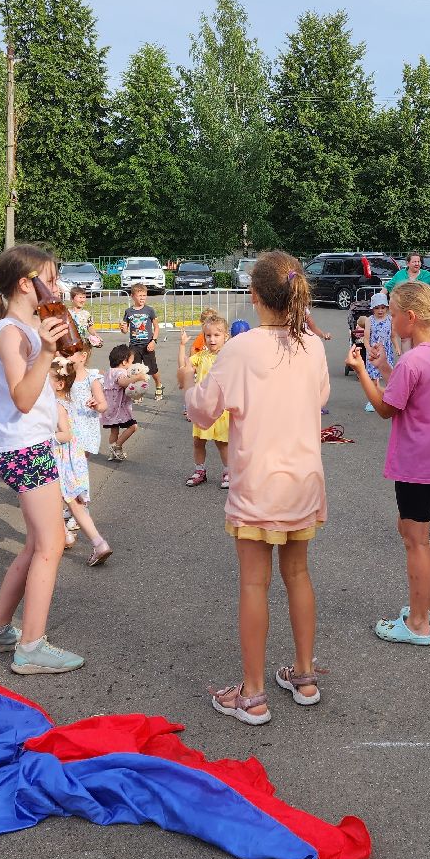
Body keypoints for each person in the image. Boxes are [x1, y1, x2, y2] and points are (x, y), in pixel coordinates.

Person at [183, 251, 328, 725]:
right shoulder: (313, 345)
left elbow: (204, 411)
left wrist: (188, 382)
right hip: (303, 481)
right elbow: (321, 397)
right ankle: (304, 676)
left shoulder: (240, 350)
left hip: (258, 484)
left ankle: (253, 693)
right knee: (298, 575)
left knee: (253, 583)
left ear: (255, 295)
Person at [0, 245, 84, 675]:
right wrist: (47, 354)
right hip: (25, 448)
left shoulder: (23, 327)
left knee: (38, 542)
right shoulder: (10, 333)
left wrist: (56, 348)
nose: (57, 288)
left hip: (27, 446)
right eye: (51, 280)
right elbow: (21, 398)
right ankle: (31, 646)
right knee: (52, 544)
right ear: (26, 283)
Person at [346, 281, 430, 646]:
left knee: (416, 541)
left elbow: (385, 408)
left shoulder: (414, 359)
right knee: (415, 534)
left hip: (416, 462)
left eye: (393, 313)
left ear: (410, 317)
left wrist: (362, 369)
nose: (390, 320)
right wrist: (384, 365)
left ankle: (418, 622)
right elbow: (406, 393)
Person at [50, 354, 112, 565]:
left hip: (62, 459)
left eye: (45, 380)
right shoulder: (63, 400)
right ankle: (98, 543)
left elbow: (65, 434)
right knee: (72, 501)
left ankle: (65, 536)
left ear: (59, 383)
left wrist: (43, 438)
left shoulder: (57, 405)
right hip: (71, 457)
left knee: (58, 498)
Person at [180, 315, 231, 488]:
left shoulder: (229, 357)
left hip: (223, 410)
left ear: (226, 336)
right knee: (198, 442)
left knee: (223, 443)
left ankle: (228, 472)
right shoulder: (201, 356)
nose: (212, 339)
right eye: (208, 335)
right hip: (202, 407)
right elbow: (185, 367)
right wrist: (182, 346)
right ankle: (199, 471)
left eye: (217, 335)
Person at [101, 344, 149, 460]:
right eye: (131, 362)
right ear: (124, 362)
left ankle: (113, 452)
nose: (131, 365)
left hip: (110, 408)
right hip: (119, 408)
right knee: (133, 426)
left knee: (114, 431)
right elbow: (123, 382)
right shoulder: (120, 372)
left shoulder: (109, 371)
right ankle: (117, 446)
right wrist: (138, 378)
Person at [120, 284, 163, 401]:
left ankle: (159, 385)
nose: (142, 298)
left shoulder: (149, 310)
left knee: (152, 369)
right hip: (134, 346)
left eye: (144, 295)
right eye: (140, 296)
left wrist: (153, 341)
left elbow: (157, 327)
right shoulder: (128, 312)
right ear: (132, 296)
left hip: (147, 345)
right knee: (135, 371)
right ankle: (138, 391)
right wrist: (122, 327)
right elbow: (125, 331)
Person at [363, 291, 396, 413]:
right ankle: (373, 399)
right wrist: (369, 349)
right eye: (377, 308)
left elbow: (393, 336)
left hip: (387, 350)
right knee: (373, 377)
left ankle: (389, 398)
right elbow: (366, 338)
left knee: (389, 375)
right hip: (374, 351)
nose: (380, 310)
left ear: (387, 308)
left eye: (383, 308)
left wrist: (397, 347)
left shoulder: (390, 319)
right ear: (373, 309)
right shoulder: (369, 320)